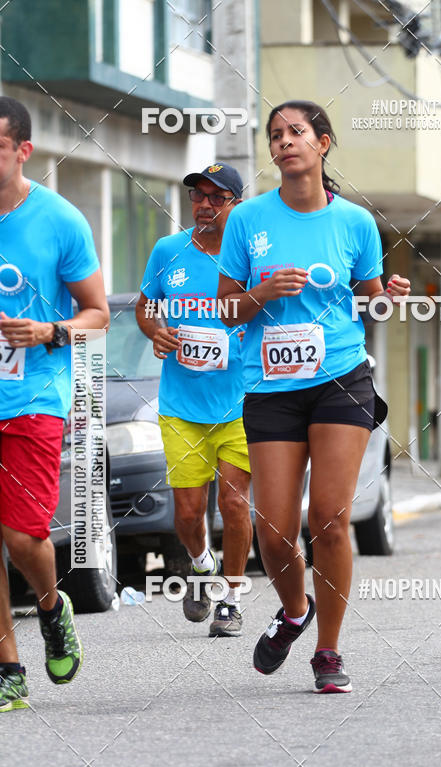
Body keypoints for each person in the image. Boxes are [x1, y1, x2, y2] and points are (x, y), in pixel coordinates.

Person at [217, 100, 410, 693]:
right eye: (275, 135)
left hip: (341, 380)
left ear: (323, 143)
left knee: (328, 519)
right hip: (271, 387)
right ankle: (294, 611)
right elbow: (224, 311)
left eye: (296, 132)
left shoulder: (355, 222)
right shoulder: (247, 221)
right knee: (275, 533)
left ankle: (327, 651)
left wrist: (390, 296)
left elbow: (369, 296)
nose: (284, 142)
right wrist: (263, 292)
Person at [0, 97, 109, 712]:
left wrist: (47, 332)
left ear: (23, 151)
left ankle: (50, 602)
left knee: (22, 536)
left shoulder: (61, 220)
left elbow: (97, 314)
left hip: (35, 394)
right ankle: (6, 665)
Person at [136, 163, 252, 636]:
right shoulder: (169, 250)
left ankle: (230, 598)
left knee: (235, 504)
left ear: (236, 204)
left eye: (216, 196)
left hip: (242, 402)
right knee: (186, 513)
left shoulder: (251, 256)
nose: (204, 204)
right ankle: (202, 564)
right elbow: (147, 304)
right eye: (197, 196)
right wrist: (156, 332)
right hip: (181, 404)